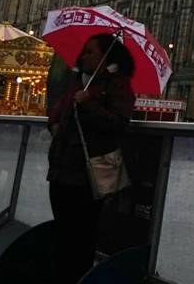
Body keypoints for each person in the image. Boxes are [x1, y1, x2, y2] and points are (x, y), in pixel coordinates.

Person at [46, 33, 136, 284]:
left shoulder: (117, 85)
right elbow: (56, 113)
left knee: (81, 241)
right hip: (61, 171)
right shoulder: (78, 83)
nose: (83, 56)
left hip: (88, 176)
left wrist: (88, 105)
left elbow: (119, 123)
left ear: (106, 56)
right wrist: (54, 124)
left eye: (90, 52)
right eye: (84, 51)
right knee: (62, 237)